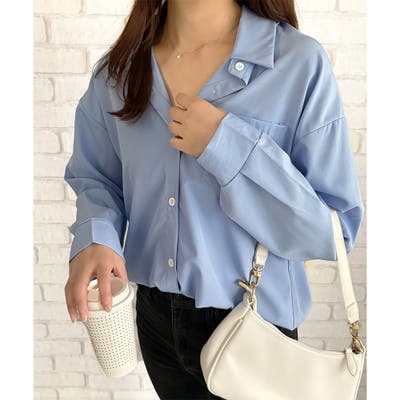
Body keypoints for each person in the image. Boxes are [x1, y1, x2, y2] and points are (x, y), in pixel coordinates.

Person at [64, 0, 365, 399]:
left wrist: (226, 145)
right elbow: (97, 176)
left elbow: (334, 231)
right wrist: (96, 236)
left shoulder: (298, 64)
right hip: (154, 320)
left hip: (254, 329)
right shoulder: (117, 71)